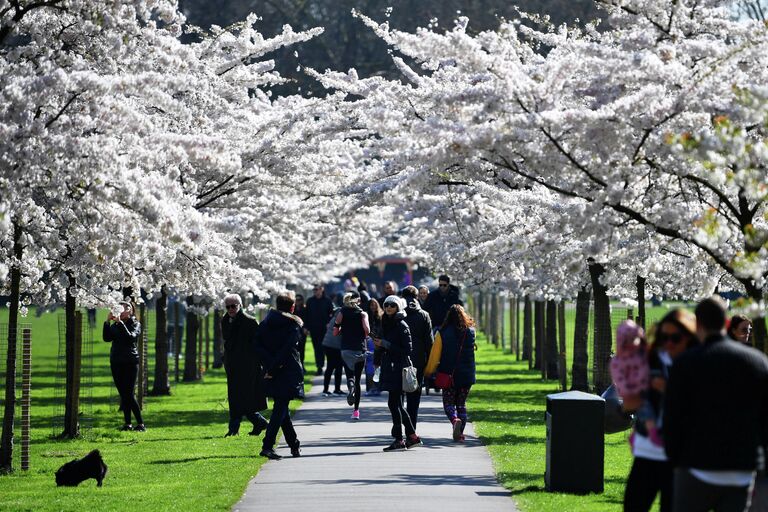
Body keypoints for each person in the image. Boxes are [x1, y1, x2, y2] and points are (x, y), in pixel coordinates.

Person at [664, 297, 768, 512]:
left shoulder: (686, 363)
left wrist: (675, 458)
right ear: (727, 323)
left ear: (698, 324)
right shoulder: (758, 362)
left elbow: (673, 417)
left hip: (696, 464)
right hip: (741, 468)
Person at [622, 309, 698, 512]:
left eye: (675, 338)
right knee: (633, 505)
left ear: (690, 337)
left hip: (679, 456)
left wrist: (670, 390)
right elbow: (629, 404)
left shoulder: (697, 363)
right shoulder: (651, 358)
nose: (669, 343)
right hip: (648, 450)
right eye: (665, 337)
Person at [254, 291, 305, 460]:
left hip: (271, 371)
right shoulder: (292, 325)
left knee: (282, 409)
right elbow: (287, 350)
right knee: (280, 409)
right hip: (287, 371)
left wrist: (269, 366)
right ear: (292, 307)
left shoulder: (265, 324)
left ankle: (294, 444)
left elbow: (257, 347)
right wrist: (276, 366)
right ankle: (267, 445)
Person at [374, 295, 421, 451]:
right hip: (389, 366)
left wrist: (385, 344)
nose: (388, 308)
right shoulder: (385, 323)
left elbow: (407, 350)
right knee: (396, 404)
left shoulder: (401, 325)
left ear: (398, 307)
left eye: (392, 305)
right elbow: (382, 343)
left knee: (394, 404)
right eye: (386, 305)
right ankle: (412, 436)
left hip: (399, 368)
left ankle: (400, 439)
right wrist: (377, 356)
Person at [425, 304, 476, 442]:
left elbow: (435, 356)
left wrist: (429, 371)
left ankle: (454, 421)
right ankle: (460, 434)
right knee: (461, 404)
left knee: (448, 404)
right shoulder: (471, 332)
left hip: (449, 374)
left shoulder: (442, 333)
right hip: (467, 375)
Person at [220, 294, 268, 437]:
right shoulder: (224, 320)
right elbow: (227, 341)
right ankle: (246, 426)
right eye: (227, 306)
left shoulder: (250, 321)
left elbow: (259, 343)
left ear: (240, 305)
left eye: (233, 306)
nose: (230, 309)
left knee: (246, 398)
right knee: (235, 398)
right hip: (233, 366)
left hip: (248, 366)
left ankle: (252, 424)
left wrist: (260, 364)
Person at [610, 320, 661, 446]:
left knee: (645, 412)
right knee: (645, 412)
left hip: (644, 392)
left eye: (634, 339)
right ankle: (648, 434)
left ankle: (643, 434)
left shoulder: (643, 356)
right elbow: (620, 381)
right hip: (635, 393)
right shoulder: (619, 362)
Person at [103, 301, 145, 431]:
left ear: (131, 311)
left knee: (129, 393)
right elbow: (107, 338)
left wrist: (120, 323)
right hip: (116, 361)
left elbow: (130, 338)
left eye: (127, 307)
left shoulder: (136, 324)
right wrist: (107, 322)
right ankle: (128, 424)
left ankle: (141, 424)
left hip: (130, 362)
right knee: (123, 394)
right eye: (121, 307)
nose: (123, 309)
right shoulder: (115, 324)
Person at [333, 291, 370, 420]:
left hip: (346, 349)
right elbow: (367, 330)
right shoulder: (362, 314)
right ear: (357, 301)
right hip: (360, 348)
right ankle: (356, 411)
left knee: (350, 375)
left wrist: (342, 329)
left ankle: (350, 387)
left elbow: (335, 331)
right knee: (359, 379)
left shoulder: (341, 313)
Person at [401, 285, 433, 428]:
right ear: (416, 297)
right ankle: (411, 428)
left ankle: (400, 424)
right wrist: (430, 361)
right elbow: (429, 341)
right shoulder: (424, 315)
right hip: (418, 359)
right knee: (414, 395)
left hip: (399, 358)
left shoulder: (397, 313)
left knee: (398, 395)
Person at [304, 284, 334, 376]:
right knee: (317, 348)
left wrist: (329, 323)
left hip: (325, 329)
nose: (315, 291)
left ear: (322, 289)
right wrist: (306, 327)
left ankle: (329, 367)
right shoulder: (310, 301)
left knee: (326, 349)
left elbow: (332, 313)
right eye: (314, 289)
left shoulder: (327, 301)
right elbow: (306, 315)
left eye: (317, 289)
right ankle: (319, 367)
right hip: (314, 329)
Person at [294, 294, 308, 371]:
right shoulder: (293, 310)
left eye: (299, 300)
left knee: (302, 349)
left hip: (302, 331)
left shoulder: (305, 309)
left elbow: (307, 319)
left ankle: (302, 364)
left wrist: (306, 328)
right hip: (294, 331)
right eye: (296, 300)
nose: (298, 301)